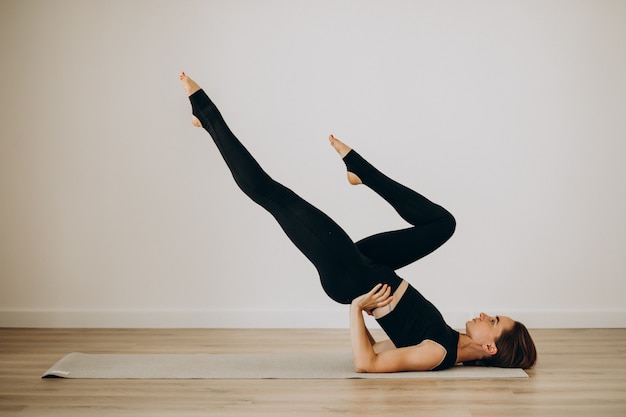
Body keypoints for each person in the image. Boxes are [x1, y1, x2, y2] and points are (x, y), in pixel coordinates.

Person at [179, 72, 537, 372]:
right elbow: (381, 348)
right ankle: (360, 171)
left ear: (491, 348)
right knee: (444, 225)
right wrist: (368, 313)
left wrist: (356, 307)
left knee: (275, 197)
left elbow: (367, 363)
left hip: (349, 275)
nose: (486, 315)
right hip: (369, 266)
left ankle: (207, 116)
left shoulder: (439, 353)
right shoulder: (448, 339)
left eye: (493, 323)